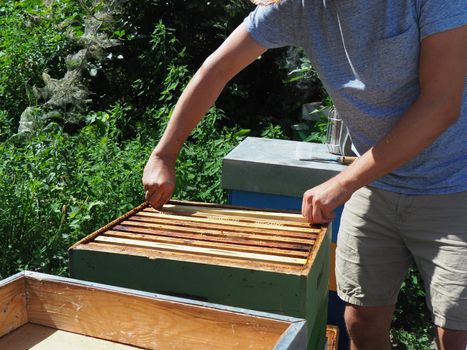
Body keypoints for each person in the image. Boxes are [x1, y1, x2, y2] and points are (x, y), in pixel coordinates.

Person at [142, 1, 467, 348]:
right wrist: (164, 153)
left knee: (456, 333)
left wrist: (344, 182)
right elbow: (216, 69)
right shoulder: (298, 7)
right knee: (361, 322)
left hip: (454, 186)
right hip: (374, 185)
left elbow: (440, 106)